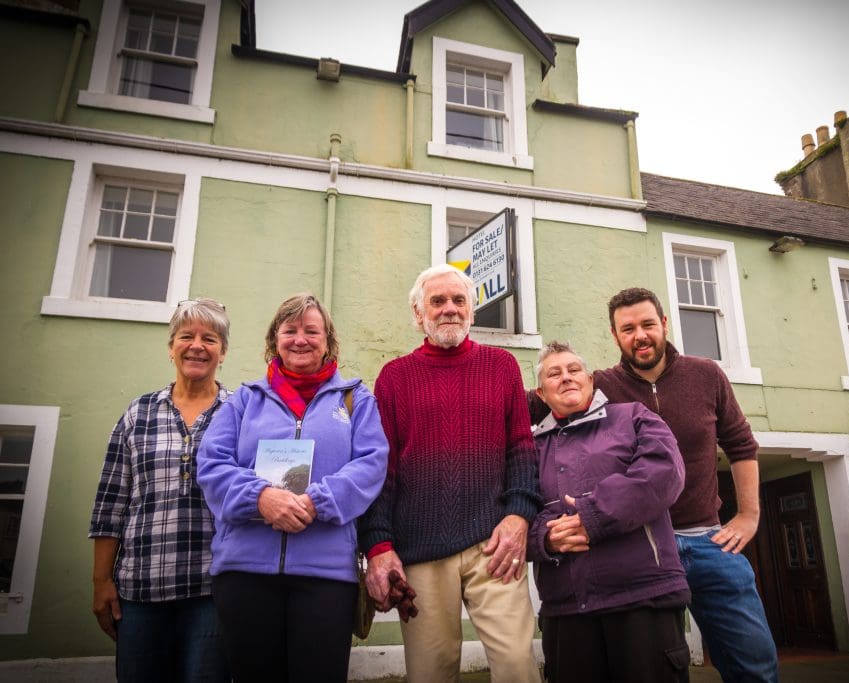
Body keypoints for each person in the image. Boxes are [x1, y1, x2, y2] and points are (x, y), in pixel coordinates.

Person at [359, 264, 543, 683]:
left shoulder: (501, 366)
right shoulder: (393, 377)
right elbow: (381, 471)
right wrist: (378, 546)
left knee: (518, 666)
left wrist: (519, 517)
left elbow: (521, 449)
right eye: (437, 301)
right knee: (430, 674)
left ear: (472, 313)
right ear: (418, 315)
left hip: (494, 543)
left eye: (459, 301)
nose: (449, 309)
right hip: (420, 551)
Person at [196, 293, 389, 682]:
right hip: (244, 573)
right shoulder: (244, 401)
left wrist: (319, 502)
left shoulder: (355, 399)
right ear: (275, 340)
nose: (300, 339)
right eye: (290, 330)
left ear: (328, 340)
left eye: (311, 331)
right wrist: (261, 498)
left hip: (326, 576)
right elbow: (212, 464)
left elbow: (371, 464)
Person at [596, 287, 779, 683]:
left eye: (647, 324)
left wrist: (748, 515)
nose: (639, 336)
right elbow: (540, 402)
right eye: (627, 329)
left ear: (663, 323)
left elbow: (742, 445)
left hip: (709, 542)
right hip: (641, 546)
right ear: (614, 336)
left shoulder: (707, 374)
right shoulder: (601, 387)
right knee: (650, 670)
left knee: (755, 664)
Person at [528, 341, 691, 683]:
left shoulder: (634, 416)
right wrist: (544, 537)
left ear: (590, 380)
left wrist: (593, 517)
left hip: (643, 600)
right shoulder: (530, 447)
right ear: (542, 394)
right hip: (567, 609)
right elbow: (514, 513)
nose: (566, 378)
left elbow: (662, 474)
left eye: (574, 370)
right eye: (554, 374)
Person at [89, 298, 232, 682]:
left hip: (213, 590)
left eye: (210, 338)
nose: (197, 345)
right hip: (140, 591)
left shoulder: (240, 412)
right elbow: (111, 503)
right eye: (186, 336)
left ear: (223, 351)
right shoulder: (139, 413)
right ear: (171, 348)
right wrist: (102, 582)